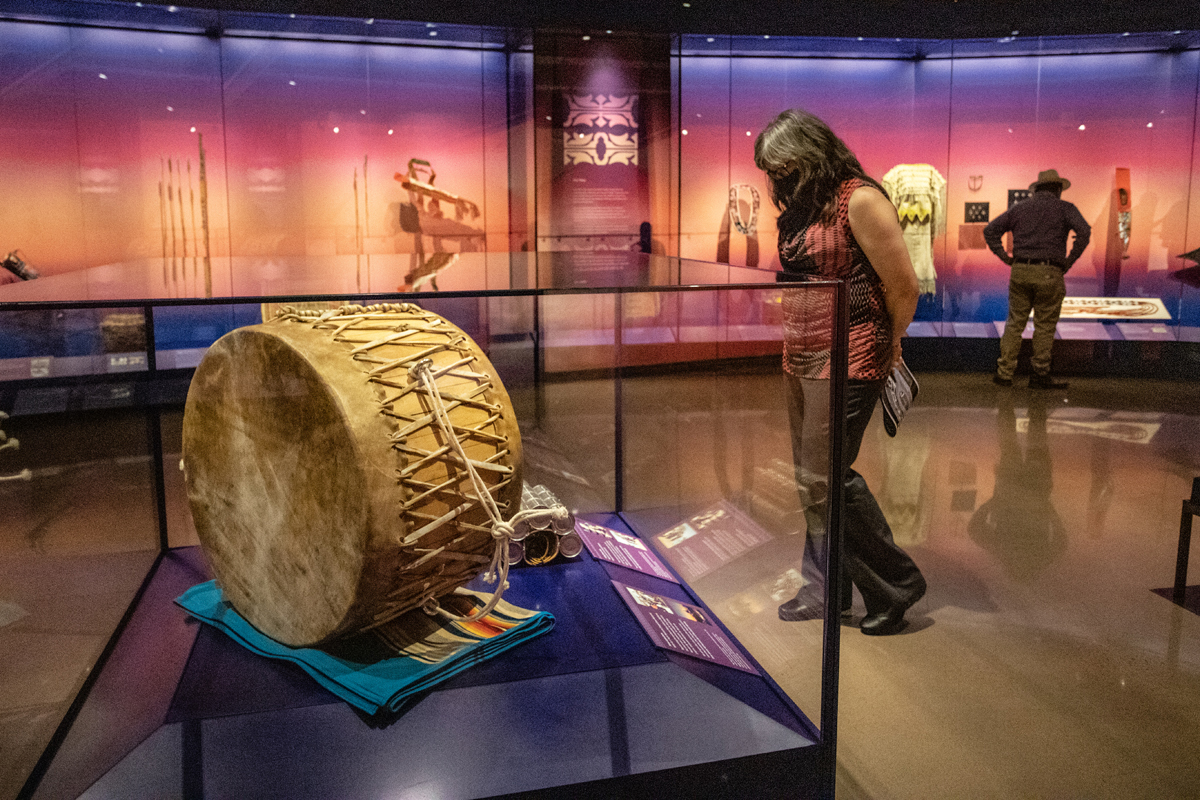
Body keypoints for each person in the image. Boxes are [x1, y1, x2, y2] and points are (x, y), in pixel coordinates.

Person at [754, 109, 927, 636]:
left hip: (852, 350)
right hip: (802, 350)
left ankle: (895, 585)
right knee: (813, 477)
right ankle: (824, 588)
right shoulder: (807, 205)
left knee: (827, 474)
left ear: (810, 153)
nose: (777, 177)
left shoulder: (861, 199)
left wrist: (892, 342)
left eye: (783, 165)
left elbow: (903, 286)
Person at [984, 169, 1091, 390]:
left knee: (1014, 324)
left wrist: (1005, 257)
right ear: (1058, 189)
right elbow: (1084, 232)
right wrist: (1068, 261)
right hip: (1049, 272)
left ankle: (1004, 374)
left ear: (1037, 188)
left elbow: (990, 230)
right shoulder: (1065, 208)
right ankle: (1039, 374)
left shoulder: (1020, 208)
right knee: (1044, 326)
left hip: (1020, 270)